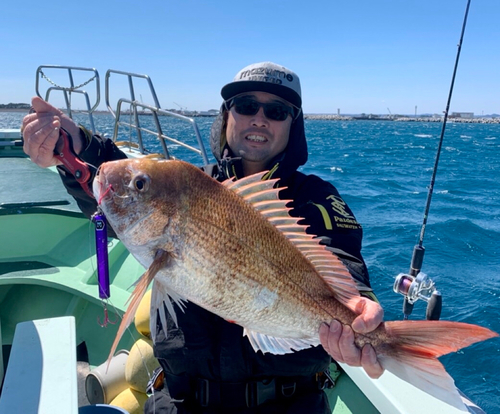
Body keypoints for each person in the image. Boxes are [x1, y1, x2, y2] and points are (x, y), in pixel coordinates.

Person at [22, 62, 384, 413]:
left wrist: (361, 306)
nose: (259, 118)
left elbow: (343, 260)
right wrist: (76, 143)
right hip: (181, 401)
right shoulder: (189, 184)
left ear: (294, 124)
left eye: (276, 111)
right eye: (246, 106)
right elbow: (121, 191)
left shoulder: (315, 198)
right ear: (227, 115)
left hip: (288, 403)